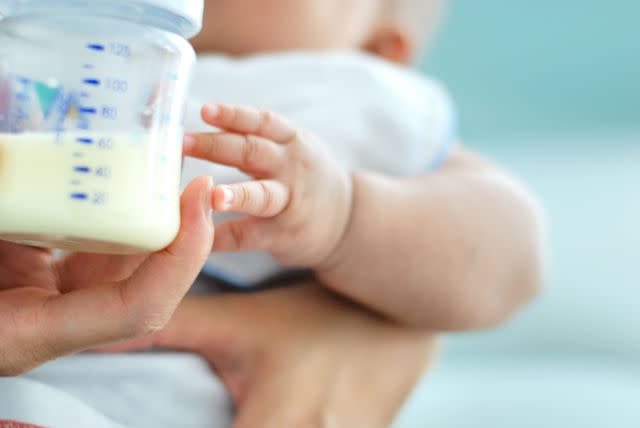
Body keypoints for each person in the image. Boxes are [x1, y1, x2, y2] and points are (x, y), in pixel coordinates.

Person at [0, 0, 545, 426]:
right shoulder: (68, 53)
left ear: (377, 48)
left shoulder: (348, 106)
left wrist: (348, 216)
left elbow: (515, 255)